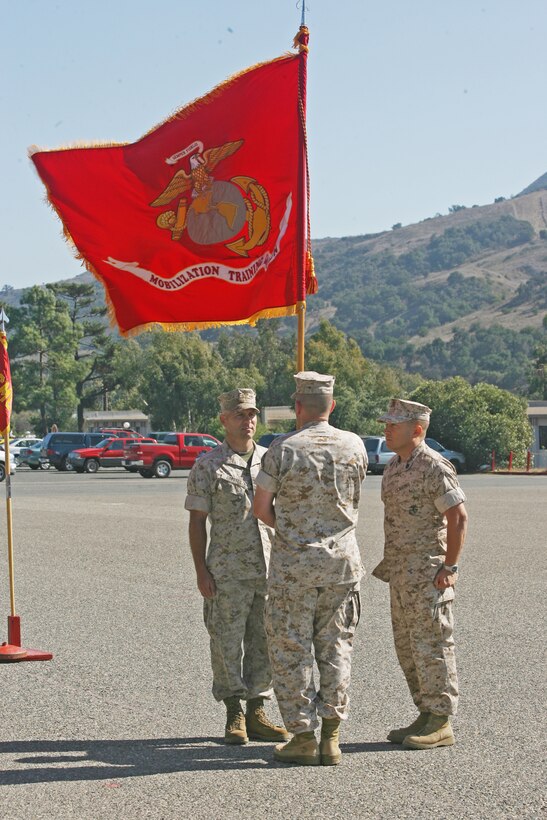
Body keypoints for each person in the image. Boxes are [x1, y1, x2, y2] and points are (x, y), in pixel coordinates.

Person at [254, 371, 368, 766]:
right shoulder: (355, 445)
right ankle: (332, 738)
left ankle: (303, 736)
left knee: (291, 649)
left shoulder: (282, 449)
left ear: (297, 406)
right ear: (332, 406)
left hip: (293, 567)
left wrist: (291, 531)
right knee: (336, 647)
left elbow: (260, 507)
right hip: (341, 565)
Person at [184, 388, 288, 745]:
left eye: (253, 415)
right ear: (224, 420)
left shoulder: (271, 460)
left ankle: (258, 710)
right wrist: (201, 570)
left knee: (265, 642)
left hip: (269, 570)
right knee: (226, 643)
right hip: (226, 571)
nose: (249, 422)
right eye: (241, 415)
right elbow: (197, 521)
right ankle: (234, 712)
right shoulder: (207, 465)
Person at [372, 398, 468, 749]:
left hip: (428, 574)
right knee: (408, 647)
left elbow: (458, 517)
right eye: (386, 422)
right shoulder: (396, 466)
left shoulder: (434, 466)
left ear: (416, 429)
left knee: (433, 645)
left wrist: (450, 566)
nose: (386, 428)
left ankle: (441, 720)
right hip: (400, 573)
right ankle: (425, 713)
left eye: (393, 424)